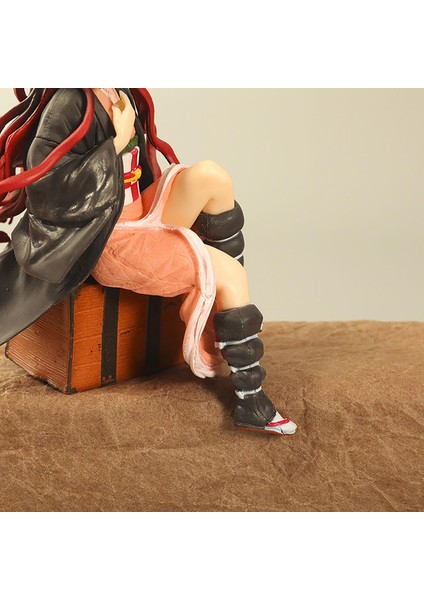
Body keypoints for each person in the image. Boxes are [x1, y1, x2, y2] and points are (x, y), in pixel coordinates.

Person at [0, 88, 297, 435]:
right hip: (108, 237)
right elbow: (47, 189)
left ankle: (226, 318)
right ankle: (252, 401)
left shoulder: (117, 89)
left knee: (211, 176)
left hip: (140, 214)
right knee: (229, 273)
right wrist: (115, 143)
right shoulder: (70, 101)